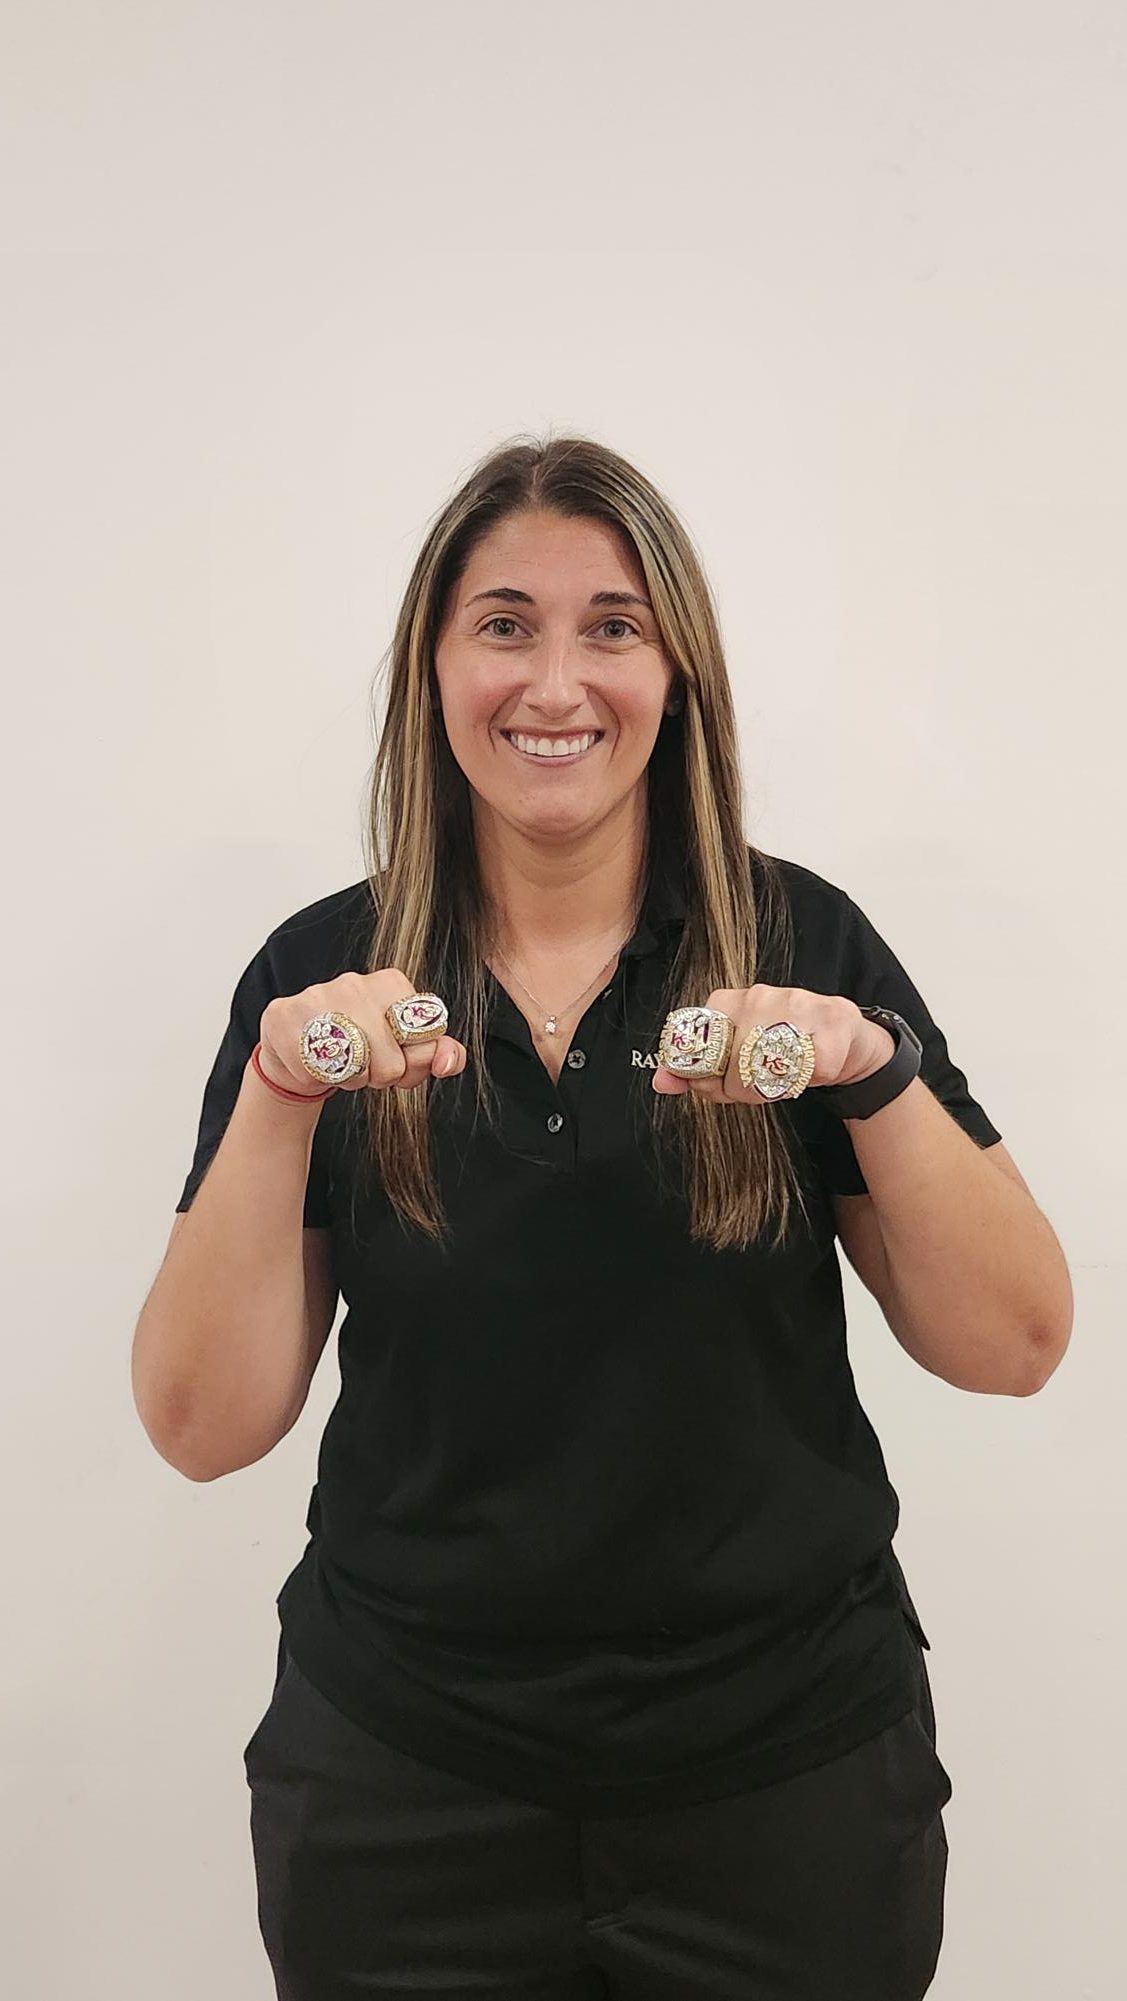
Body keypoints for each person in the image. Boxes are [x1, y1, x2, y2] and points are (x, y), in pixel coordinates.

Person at [134, 434, 1063, 1999]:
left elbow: (1016, 1341)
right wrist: (282, 1093)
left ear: (677, 669)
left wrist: (868, 1066)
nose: (555, 680)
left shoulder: (801, 944)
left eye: (611, 626)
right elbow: (202, 1422)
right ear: (435, 666)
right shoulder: (326, 981)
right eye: (504, 622)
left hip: (789, 1790)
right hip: (404, 1790)